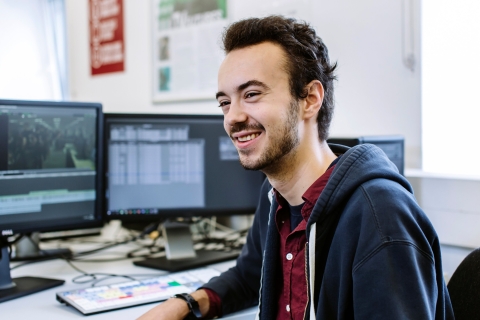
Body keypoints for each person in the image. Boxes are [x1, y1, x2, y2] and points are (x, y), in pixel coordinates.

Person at [138, 15, 454, 320]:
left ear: (310, 99)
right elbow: (249, 278)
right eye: (225, 102)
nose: (232, 117)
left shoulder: (380, 216)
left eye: (251, 94)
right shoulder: (276, 194)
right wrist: (188, 303)